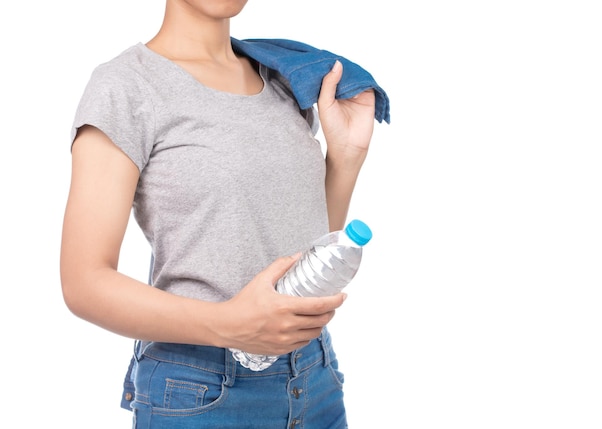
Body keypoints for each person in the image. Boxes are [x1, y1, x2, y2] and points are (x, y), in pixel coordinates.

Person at [60, 1, 386, 427]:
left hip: (315, 378)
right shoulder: (127, 85)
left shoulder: (285, 81)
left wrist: (346, 158)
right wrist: (227, 324)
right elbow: (84, 284)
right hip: (201, 392)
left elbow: (299, 242)